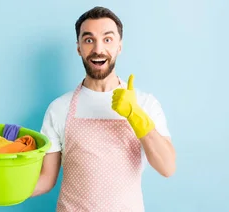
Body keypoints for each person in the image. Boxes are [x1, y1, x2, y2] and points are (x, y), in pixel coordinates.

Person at [31, 6, 177, 212]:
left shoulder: (144, 103)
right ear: (79, 47)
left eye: (107, 39)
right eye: (89, 40)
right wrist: (5, 190)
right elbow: (46, 179)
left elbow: (168, 167)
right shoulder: (59, 108)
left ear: (119, 46)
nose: (98, 49)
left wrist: (135, 115)